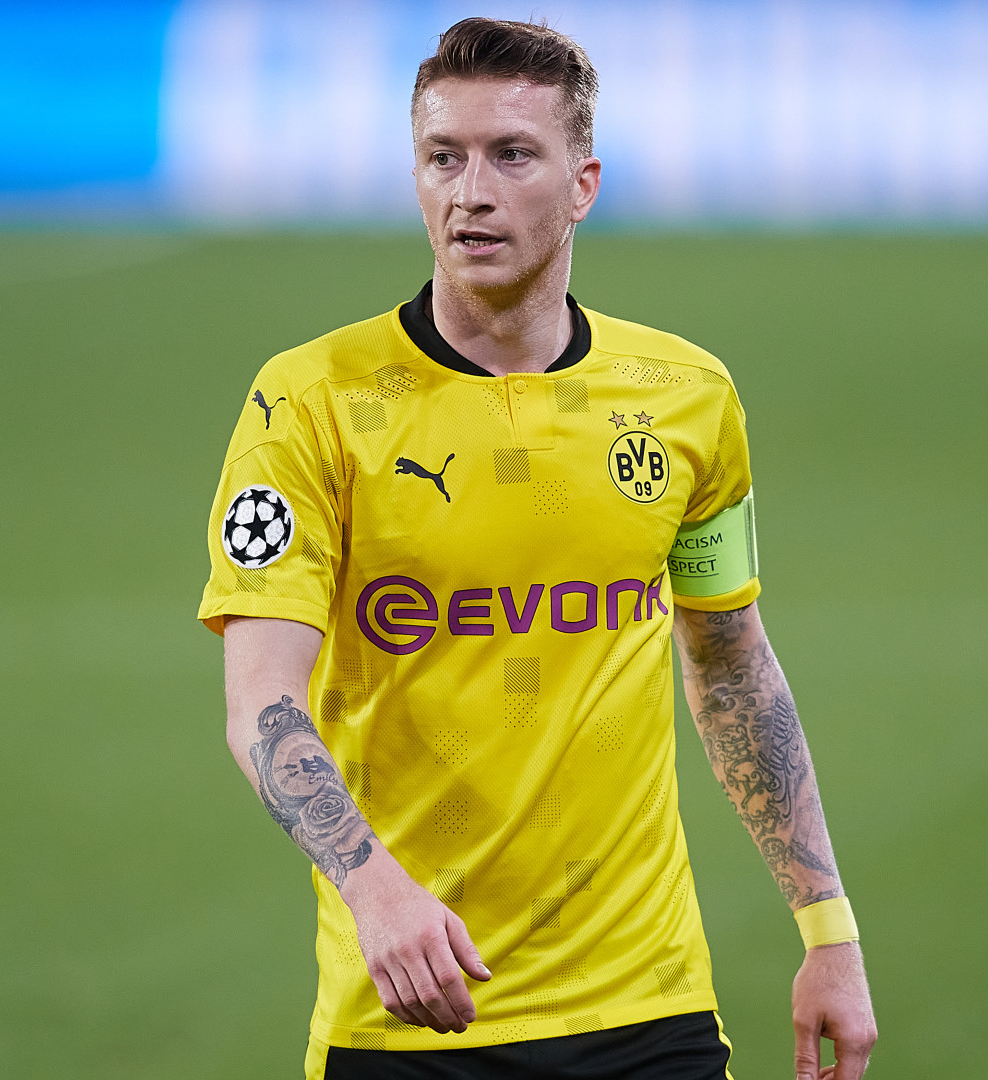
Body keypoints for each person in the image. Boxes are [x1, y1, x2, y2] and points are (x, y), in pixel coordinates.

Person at [199, 17, 877, 1080]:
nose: (471, 192)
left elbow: (732, 665)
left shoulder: (685, 398)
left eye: (512, 155)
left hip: (650, 1008)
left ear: (582, 184)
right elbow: (262, 706)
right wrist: (376, 892)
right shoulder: (311, 402)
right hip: (411, 1014)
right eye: (444, 157)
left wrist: (827, 927)